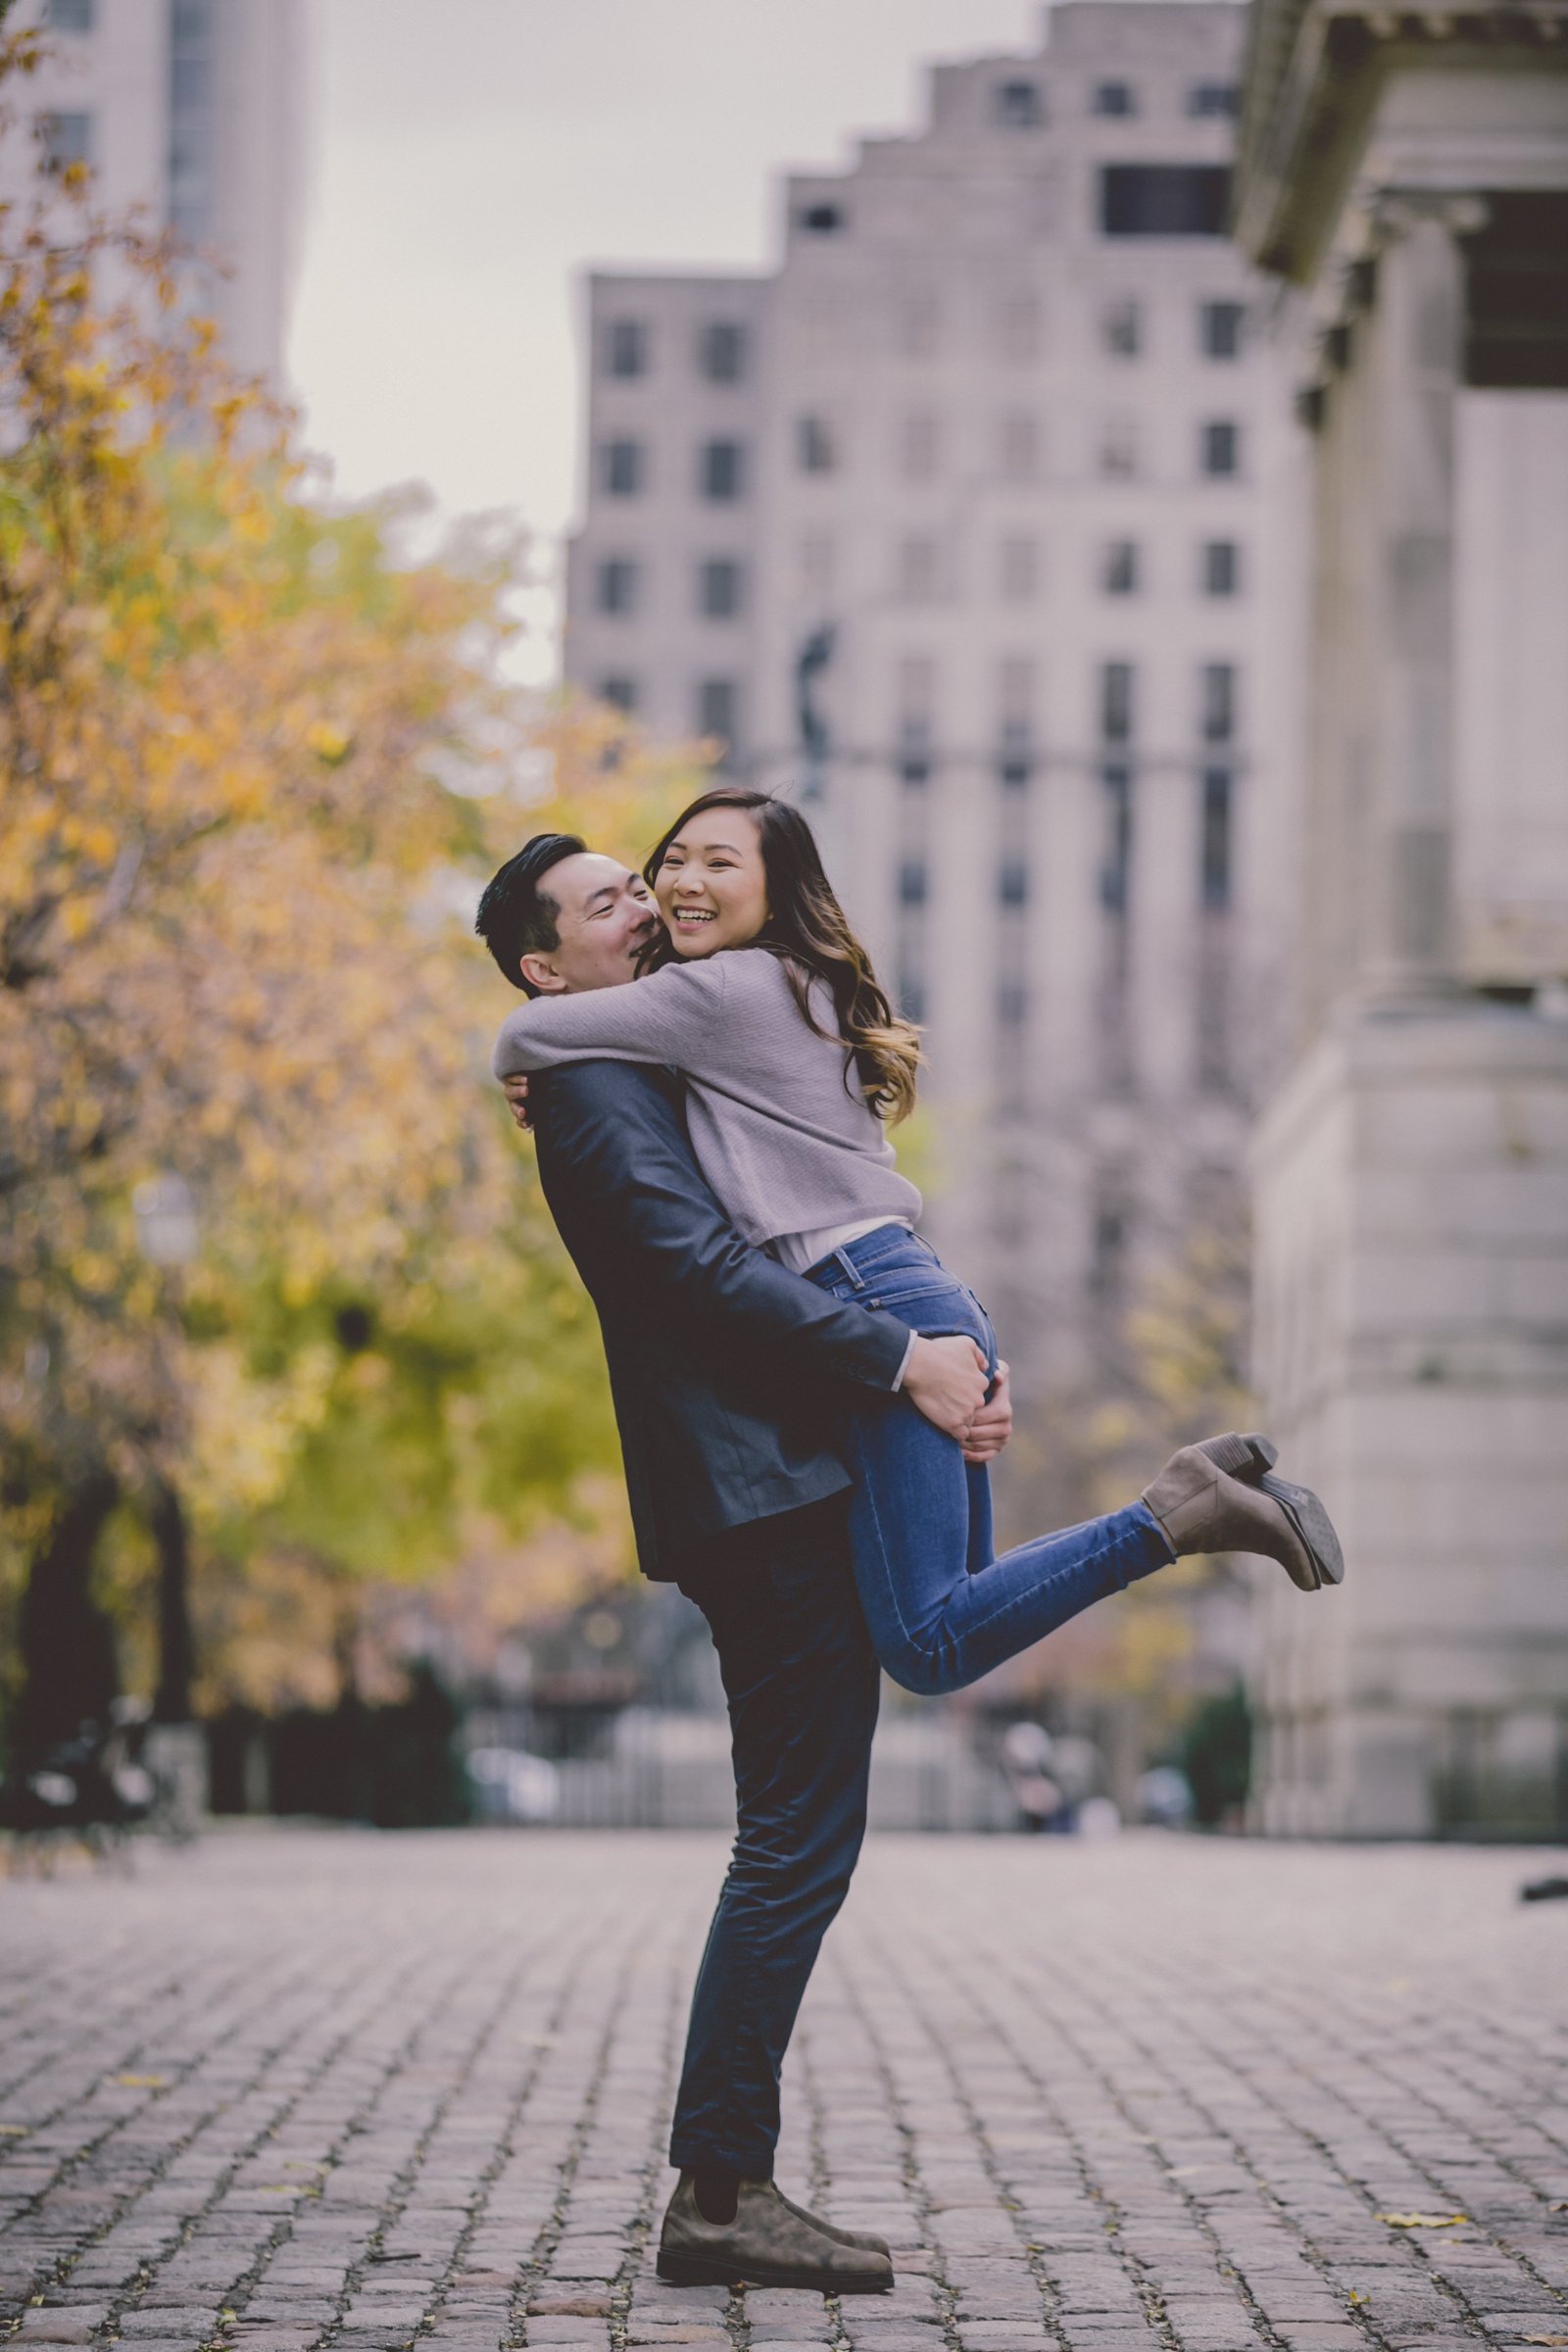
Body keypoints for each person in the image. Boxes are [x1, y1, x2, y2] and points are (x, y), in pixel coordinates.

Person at [473, 832, 1013, 2297]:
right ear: (544, 966)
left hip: (773, 1476)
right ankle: (719, 2195)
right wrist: (902, 1356)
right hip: (755, 1495)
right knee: (791, 1841)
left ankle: (726, 2183)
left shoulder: (621, 1064)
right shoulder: (590, 1089)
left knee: (802, 1840)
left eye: (638, 884)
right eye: (606, 903)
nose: (643, 904)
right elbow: (701, 1277)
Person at [492, 788, 1344, 1701]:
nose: (680, 886)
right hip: (909, 1285)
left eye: (719, 864)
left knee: (931, 1641)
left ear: (777, 892)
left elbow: (525, 1027)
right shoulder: (771, 985)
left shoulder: (721, 990)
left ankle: (1176, 1515)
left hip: (869, 1293)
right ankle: (1193, 1501)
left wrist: (524, 1069)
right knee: (958, 1609)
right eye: (673, 862)